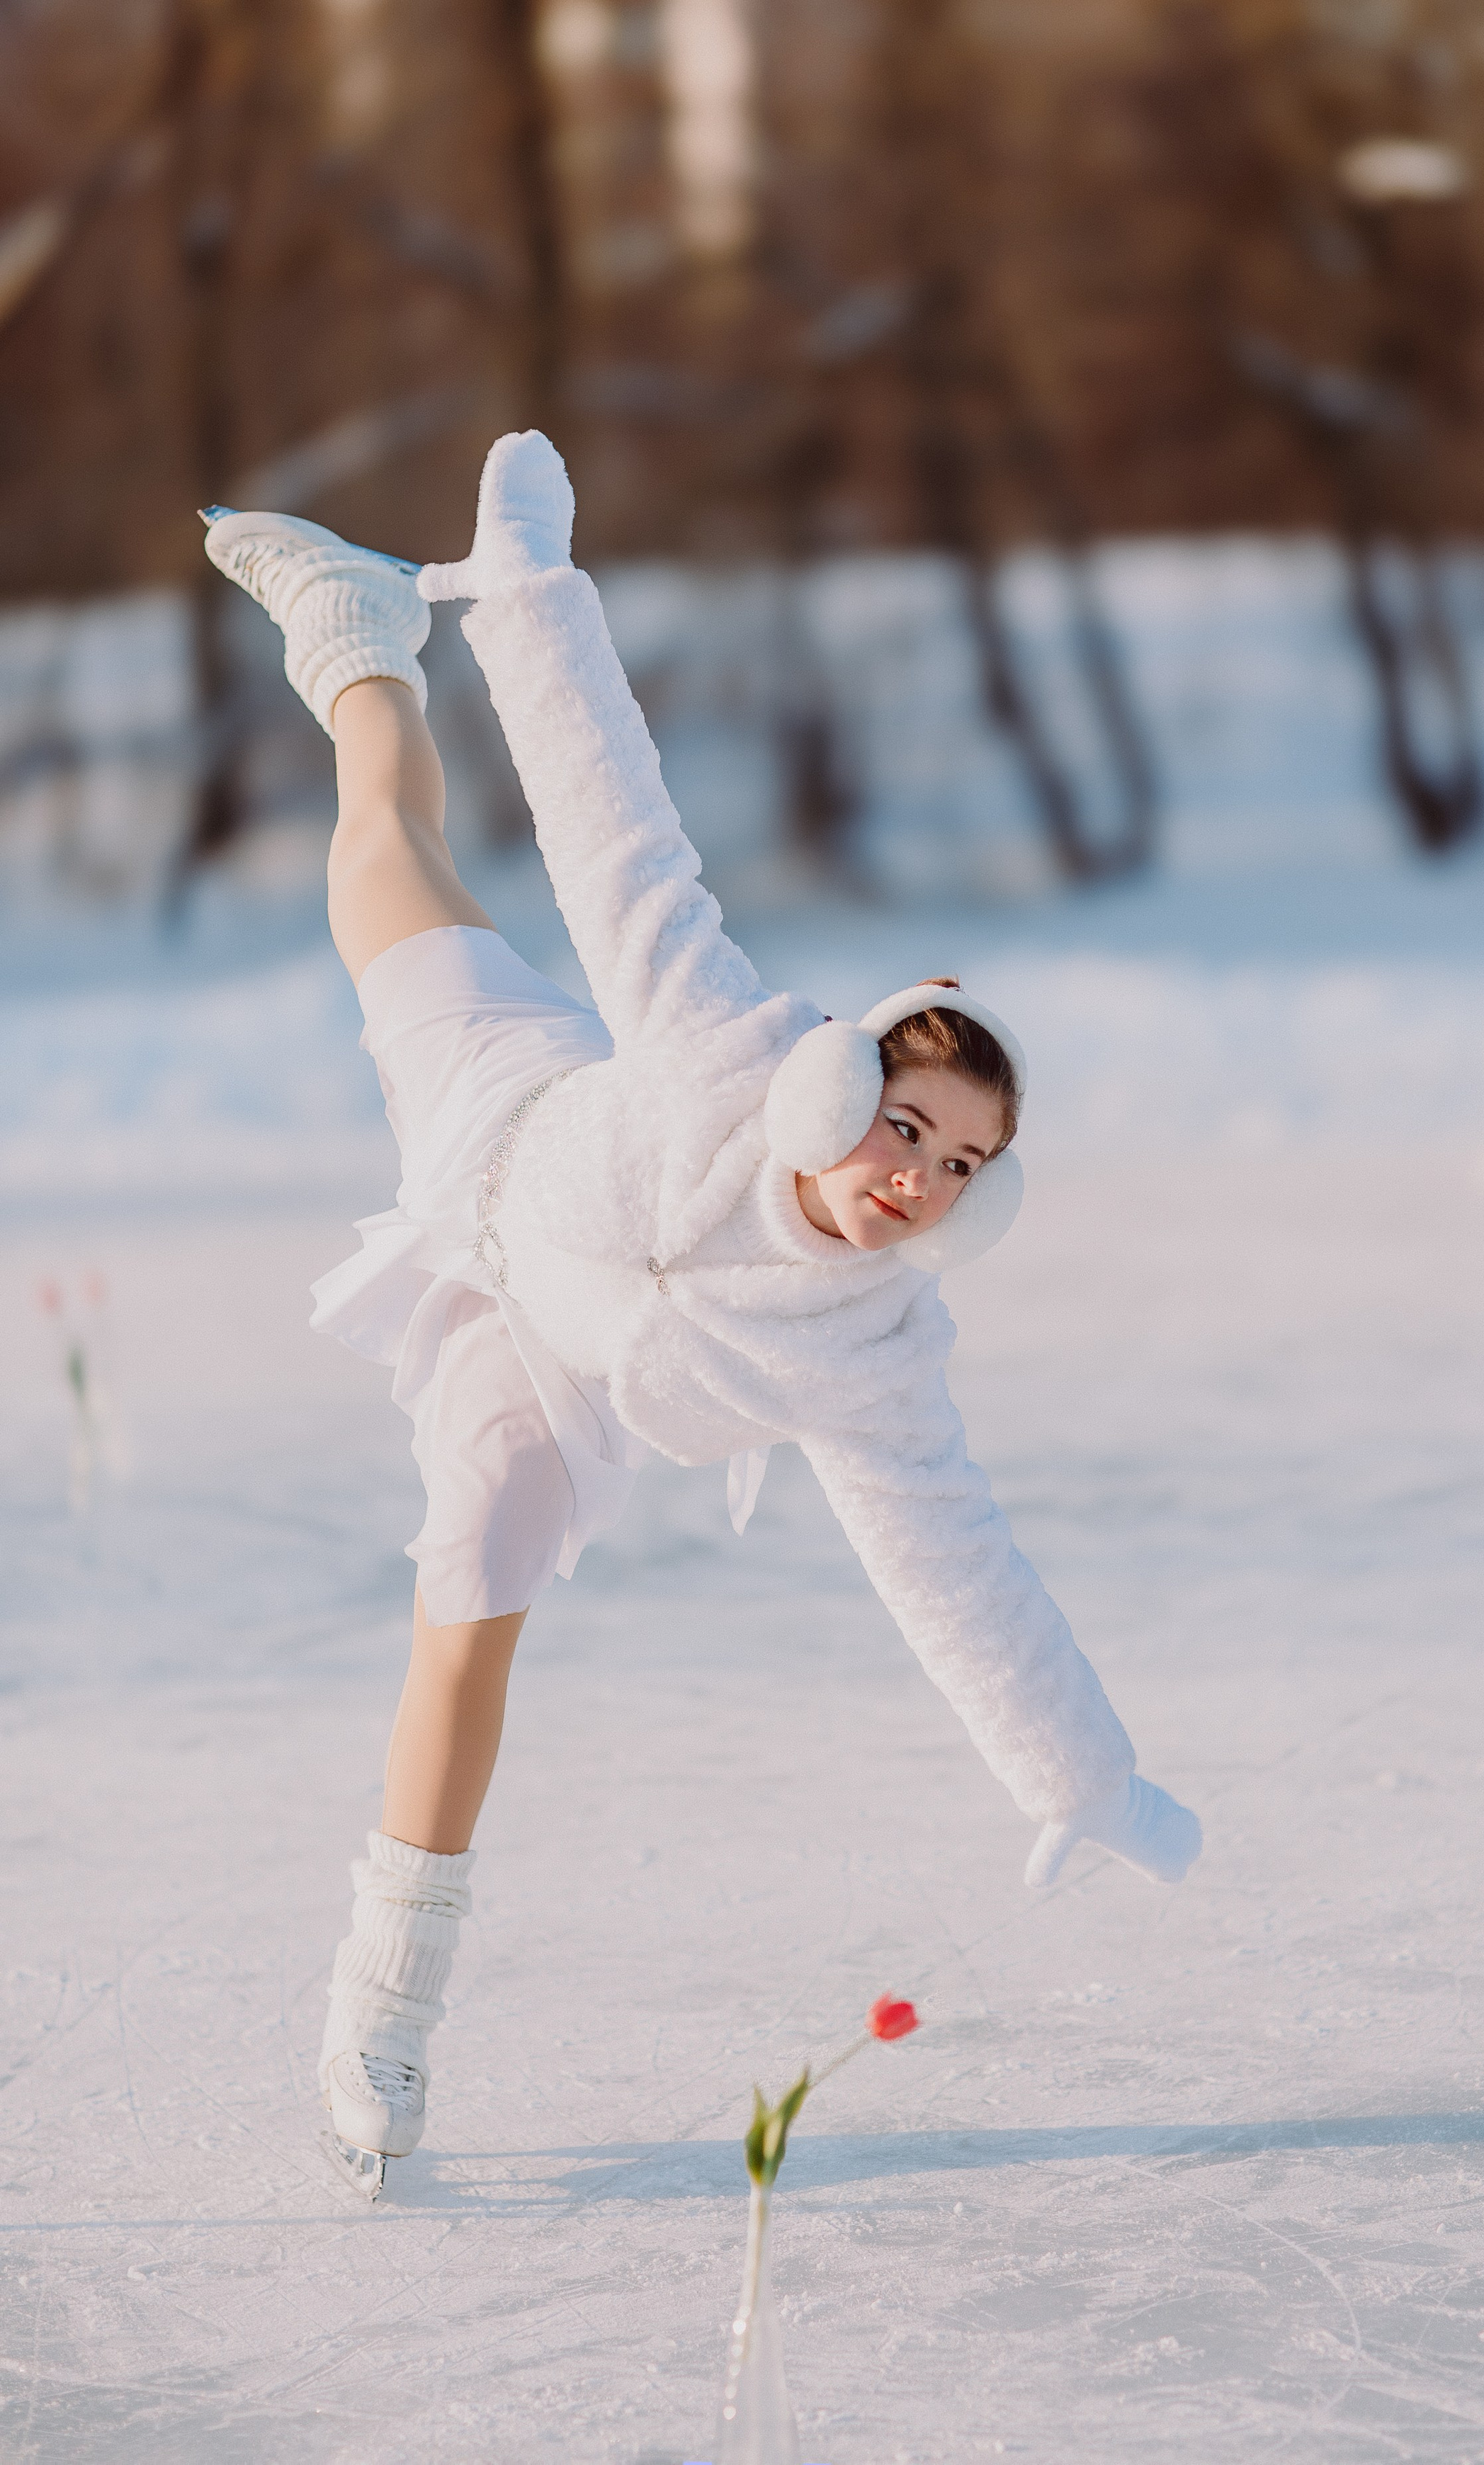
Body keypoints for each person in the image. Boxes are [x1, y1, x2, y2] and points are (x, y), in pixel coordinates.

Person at [203, 431, 1201, 2187]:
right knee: (380, 841)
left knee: (486, 1555)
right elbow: (612, 824)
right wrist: (527, 594)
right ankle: (359, 639)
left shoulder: (877, 1348)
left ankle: (383, 2014)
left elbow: (956, 1563)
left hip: (560, 1369)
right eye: (906, 1126)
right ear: (838, 1090)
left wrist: (1080, 1777)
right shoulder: (719, 1037)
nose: (917, 1178)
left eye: (963, 1167)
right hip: (495, 1121)